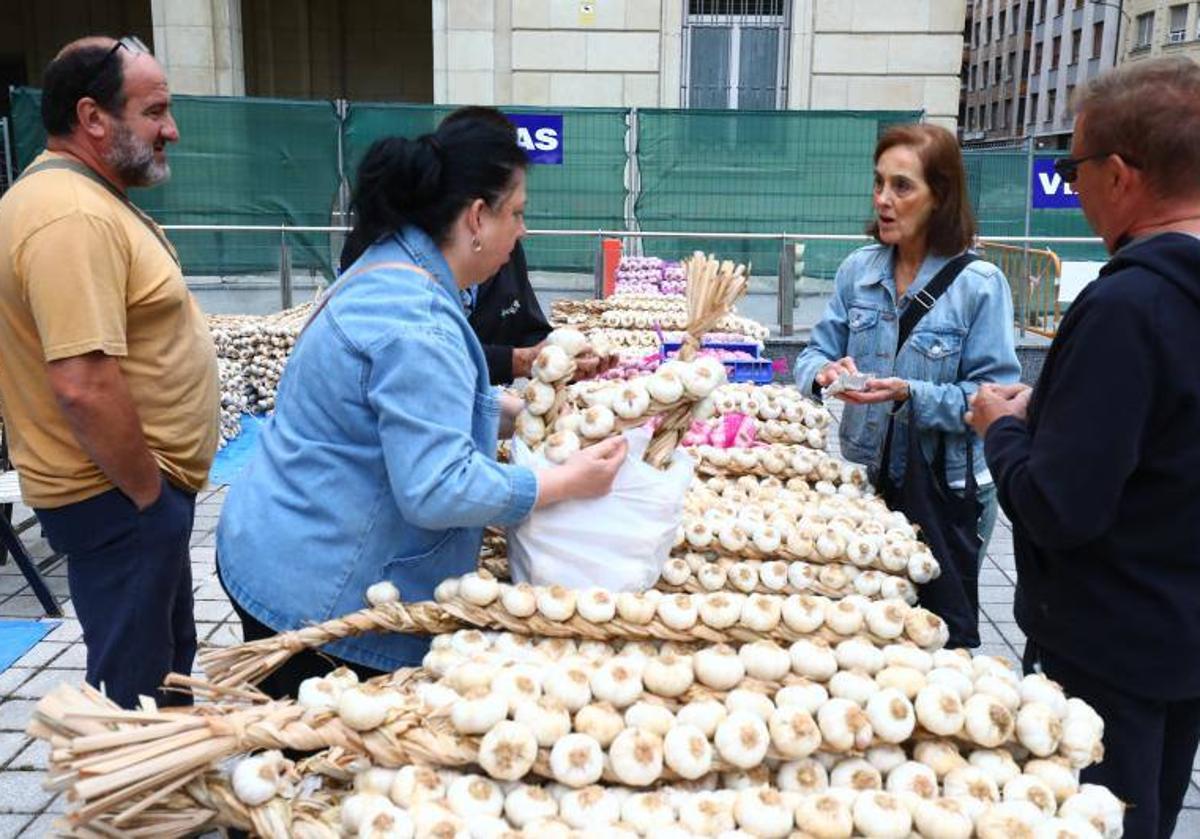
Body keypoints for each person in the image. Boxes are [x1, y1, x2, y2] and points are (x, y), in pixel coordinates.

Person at [217, 110, 627, 698]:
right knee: (309, 767)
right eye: (517, 213)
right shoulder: (417, 320)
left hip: (278, 540)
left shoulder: (396, 265)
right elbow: (437, 487)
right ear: (477, 218)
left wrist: (510, 411)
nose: (522, 231)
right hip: (319, 593)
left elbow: (400, 402)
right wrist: (559, 484)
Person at [967, 57, 1200, 839]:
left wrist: (1000, 428)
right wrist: (1060, 410)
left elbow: (1058, 508)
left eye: (1072, 169)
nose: (1070, 189)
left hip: (1108, 658)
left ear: (1121, 175)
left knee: (1094, 820)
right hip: (1180, 641)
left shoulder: (1129, 306)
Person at [0, 37, 218, 708]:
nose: (171, 129)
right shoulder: (70, 215)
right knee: (136, 682)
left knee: (162, 660)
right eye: (155, 111)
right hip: (119, 497)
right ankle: (128, 809)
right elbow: (83, 384)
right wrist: (150, 497)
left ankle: (166, 799)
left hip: (129, 496)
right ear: (93, 118)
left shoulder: (85, 198)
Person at [794, 123, 1020, 648]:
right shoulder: (859, 271)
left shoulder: (978, 285)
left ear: (940, 197)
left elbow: (995, 400)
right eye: (878, 184)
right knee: (873, 636)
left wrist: (910, 394)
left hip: (947, 490)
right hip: (871, 483)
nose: (883, 200)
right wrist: (823, 374)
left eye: (902, 186)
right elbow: (812, 354)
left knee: (939, 636)